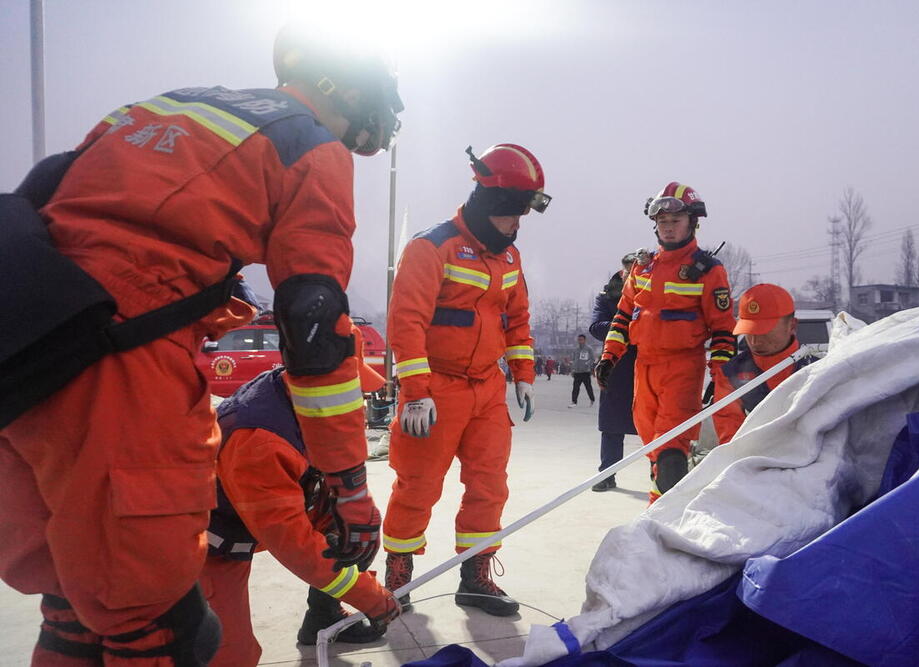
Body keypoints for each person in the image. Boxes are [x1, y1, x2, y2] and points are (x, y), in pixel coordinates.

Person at [0, 24, 403, 665]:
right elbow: (313, 321)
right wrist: (350, 485)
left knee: (77, 608)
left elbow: (48, 192)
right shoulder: (311, 144)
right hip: (118, 363)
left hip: (26, 353)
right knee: (156, 626)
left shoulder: (167, 109)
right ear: (346, 96)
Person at [381, 144, 550, 617]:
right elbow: (406, 322)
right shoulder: (431, 247)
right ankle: (397, 579)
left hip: (487, 392)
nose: (517, 224)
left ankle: (475, 577)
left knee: (489, 486)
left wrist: (523, 376)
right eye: (511, 214)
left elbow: (517, 322)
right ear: (488, 204)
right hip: (436, 390)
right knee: (417, 486)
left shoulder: (510, 258)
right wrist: (415, 394)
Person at [201, 327, 399, 666]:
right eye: (345, 390)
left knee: (359, 530)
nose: (355, 401)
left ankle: (322, 617)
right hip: (210, 543)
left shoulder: (298, 396)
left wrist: (352, 515)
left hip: (258, 511)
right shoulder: (260, 442)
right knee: (230, 655)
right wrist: (370, 595)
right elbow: (294, 545)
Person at [596, 182, 736, 503]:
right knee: (654, 449)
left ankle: (659, 522)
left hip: (683, 370)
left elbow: (723, 330)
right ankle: (666, 502)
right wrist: (609, 357)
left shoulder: (707, 271)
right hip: (643, 372)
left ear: (692, 222)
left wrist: (721, 375)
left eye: (675, 221)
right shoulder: (642, 268)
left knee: (671, 452)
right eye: (662, 222)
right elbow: (622, 317)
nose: (669, 228)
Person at [711, 284, 817, 444]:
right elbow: (731, 442)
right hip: (752, 463)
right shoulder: (729, 375)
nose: (754, 341)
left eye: (763, 331)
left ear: (792, 326)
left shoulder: (818, 369)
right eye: (749, 331)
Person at [588, 254, 639, 492]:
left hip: (648, 363)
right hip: (615, 364)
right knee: (611, 424)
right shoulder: (607, 296)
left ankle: (661, 474)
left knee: (656, 423)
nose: (634, 275)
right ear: (623, 272)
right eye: (630, 271)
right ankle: (607, 473)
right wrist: (625, 325)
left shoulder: (653, 290)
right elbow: (596, 328)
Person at [568, 334, 597, 407]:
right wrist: (573, 369)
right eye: (579, 339)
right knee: (575, 388)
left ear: (584, 340)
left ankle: (592, 399)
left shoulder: (588, 349)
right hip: (577, 372)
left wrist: (587, 364)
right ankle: (574, 402)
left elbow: (592, 359)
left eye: (581, 339)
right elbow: (574, 360)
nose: (580, 341)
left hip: (585, 372)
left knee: (588, 387)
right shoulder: (576, 349)